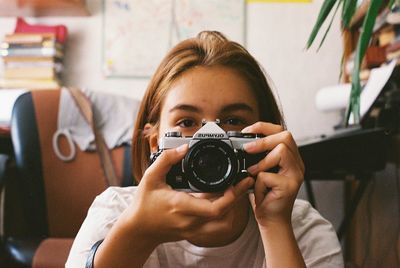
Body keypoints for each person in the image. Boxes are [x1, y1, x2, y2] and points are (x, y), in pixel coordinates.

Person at [66, 31, 343, 268]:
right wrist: (138, 234)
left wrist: (275, 226)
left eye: (233, 122)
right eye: (187, 123)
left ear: (266, 138)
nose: (210, 141)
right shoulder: (115, 213)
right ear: (155, 144)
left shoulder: (304, 230)